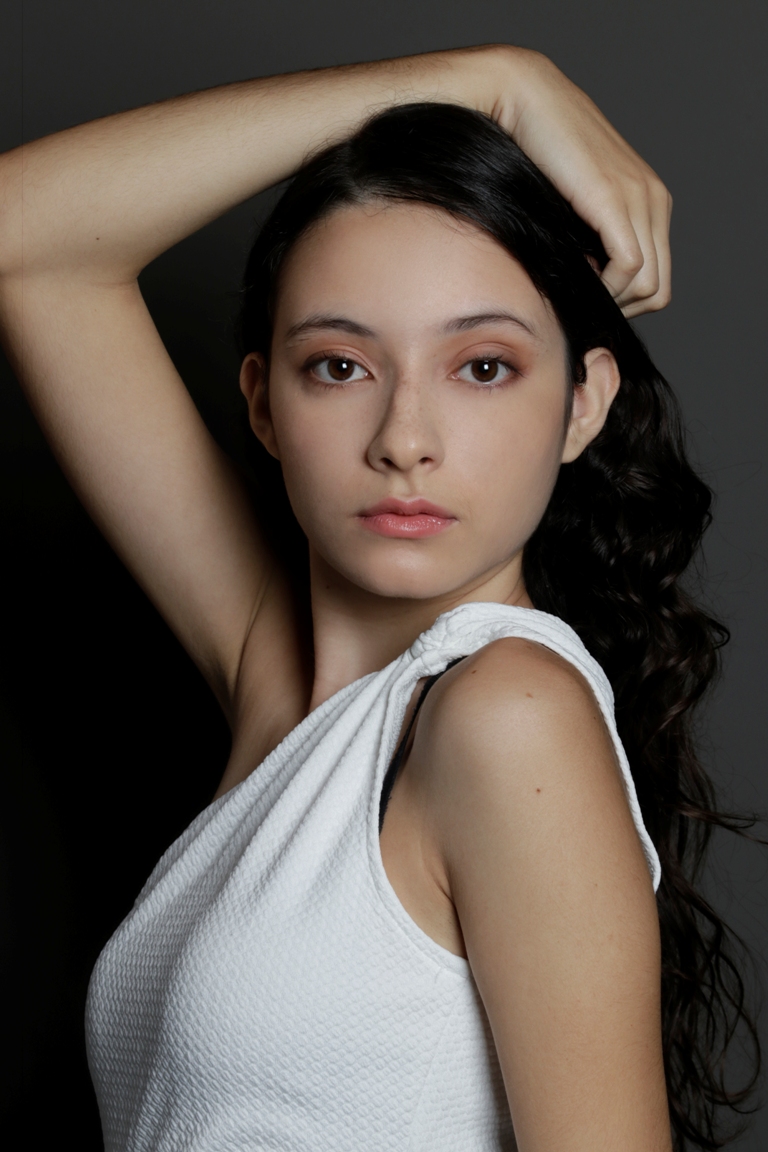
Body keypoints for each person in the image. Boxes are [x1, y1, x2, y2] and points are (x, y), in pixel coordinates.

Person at [0, 43, 758, 1152]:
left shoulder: (507, 715)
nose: (404, 439)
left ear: (584, 404)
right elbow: (24, 238)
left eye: (483, 366)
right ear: (264, 403)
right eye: (340, 366)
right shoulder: (279, 676)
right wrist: (491, 83)